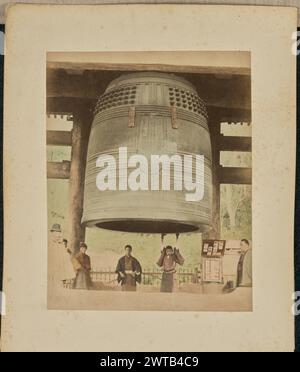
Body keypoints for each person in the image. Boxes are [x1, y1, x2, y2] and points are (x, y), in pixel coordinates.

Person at [48, 224, 75, 288]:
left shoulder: (61, 244)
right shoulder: (52, 242)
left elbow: (66, 256)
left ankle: (62, 283)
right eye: (55, 232)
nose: (56, 234)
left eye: (57, 232)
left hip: (60, 260)